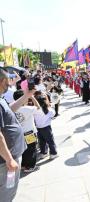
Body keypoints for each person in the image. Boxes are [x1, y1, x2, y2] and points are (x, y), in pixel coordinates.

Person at [0, 69, 35, 202]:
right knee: (7, 193)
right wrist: (9, 160)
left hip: (7, 160)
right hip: (5, 162)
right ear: (3, 81)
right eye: (8, 80)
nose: (10, 83)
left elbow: (10, 109)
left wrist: (27, 95)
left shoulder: (1, 99)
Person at [13, 90, 40, 172]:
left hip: (19, 134)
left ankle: (24, 165)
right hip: (29, 133)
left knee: (23, 150)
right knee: (31, 149)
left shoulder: (12, 107)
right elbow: (38, 107)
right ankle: (30, 166)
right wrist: (32, 97)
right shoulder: (28, 108)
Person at [34, 92, 58, 160]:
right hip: (47, 128)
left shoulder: (34, 110)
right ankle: (53, 153)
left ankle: (43, 153)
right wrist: (49, 104)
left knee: (42, 141)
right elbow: (54, 114)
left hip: (38, 128)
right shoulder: (48, 110)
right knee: (50, 141)